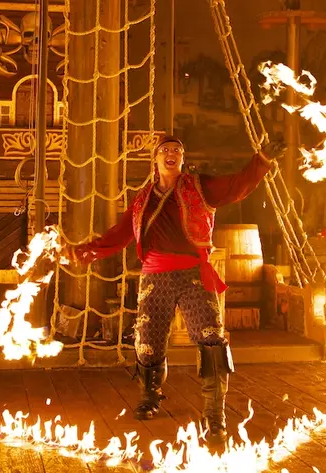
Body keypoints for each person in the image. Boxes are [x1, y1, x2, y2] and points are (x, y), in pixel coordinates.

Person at [62, 135, 279, 443]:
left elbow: (237, 186)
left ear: (182, 159)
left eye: (177, 150)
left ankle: (214, 414)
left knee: (212, 339)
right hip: (154, 278)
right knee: (147, 343)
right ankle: (150, 397)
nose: (171, 153)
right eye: (165, 149)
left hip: (193, 275)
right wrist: (83, 253)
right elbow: (119, 234)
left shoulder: (199, 188)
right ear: (155, 159)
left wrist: (262, 161)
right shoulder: (142, 200)